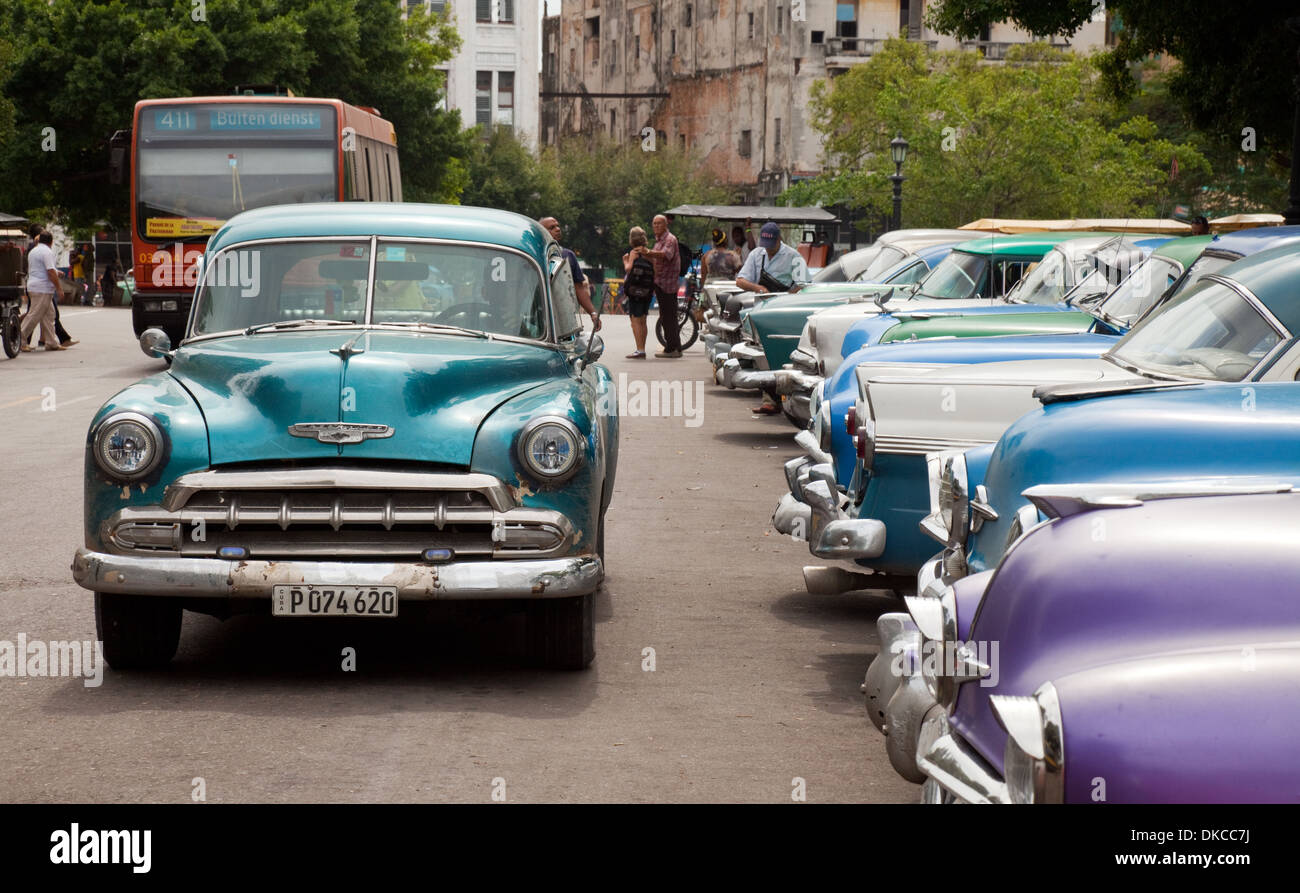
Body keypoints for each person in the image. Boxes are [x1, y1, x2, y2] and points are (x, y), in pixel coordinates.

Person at [735, 222, 809, 413]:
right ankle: (769, 399)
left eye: (771, 245)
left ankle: (786, 399)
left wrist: (789, 296)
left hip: (784, 314)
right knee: (762, 356)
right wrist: (758, 288)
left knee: (782, 355)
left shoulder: (793, 256)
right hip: (761, 312)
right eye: (765, 244)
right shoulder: (756, 255)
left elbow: (805, 285)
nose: (768, 249)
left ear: (779, 240)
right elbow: (741, 280)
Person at [538, 217, 601, 332]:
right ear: (542, 232)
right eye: (552, 228)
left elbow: (579, 288)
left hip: (565, 317)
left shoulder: (568, 255)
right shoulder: (535, 255)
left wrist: (593, 312)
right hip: (539, 316)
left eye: (558, 226)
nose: (557, 229)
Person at [21, 225, 76, 348]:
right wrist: (59, 288)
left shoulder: (33, 251)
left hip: (34, 286)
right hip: (42, 289)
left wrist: (57, 272)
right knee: (34, 315)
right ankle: (21, 340)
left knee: (50, 314)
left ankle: (51, 342)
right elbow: (50, 271)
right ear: (50, 241)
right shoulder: (47, 252)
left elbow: (41, 269)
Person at [640, 214, 681, 358]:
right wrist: (644, 254)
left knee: (669, 317)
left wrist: (649, 252)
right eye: (654, 224)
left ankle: (672, 349)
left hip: (668, 284)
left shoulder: (670, 239)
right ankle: (674, 346)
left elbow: (665, 255)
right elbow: (655, 259)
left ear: (665, 225)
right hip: (660, 282)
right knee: (665, 317)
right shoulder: (658, 242)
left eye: (659, 223)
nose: (656, 226)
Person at [621, 226, 656, 358]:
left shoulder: (634, 252)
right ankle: (642, 347)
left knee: (635, 320)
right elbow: (655, 270)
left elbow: (629, 269)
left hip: (635, 291)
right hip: (647, 290)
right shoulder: (648, 253)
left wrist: (625, 261)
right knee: (643, 319)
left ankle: (639, 349)